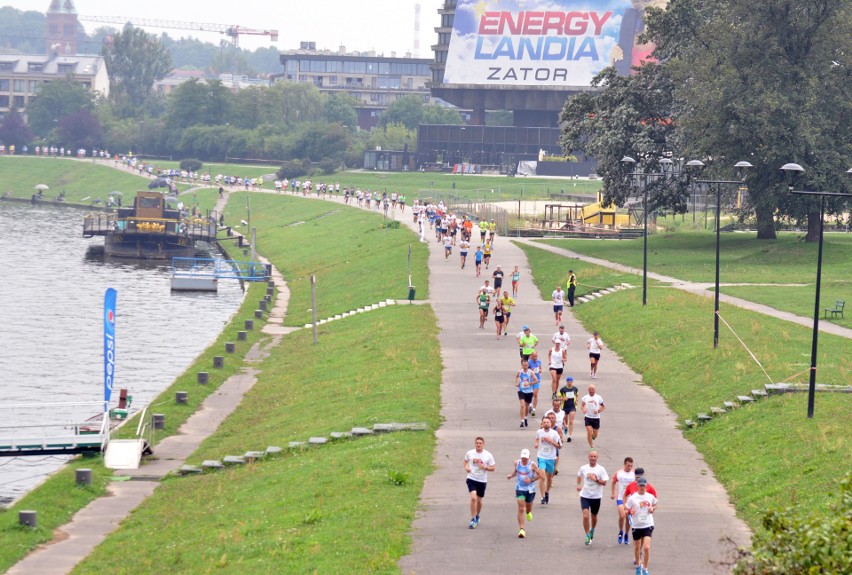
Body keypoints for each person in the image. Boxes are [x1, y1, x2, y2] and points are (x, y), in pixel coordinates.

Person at [507, 448, 542, 538]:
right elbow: (516, 471)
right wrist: (511, 475)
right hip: (520, 488)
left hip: (530, 489)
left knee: (528, 507)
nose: (524, 459)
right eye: (523, 457)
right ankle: (522, 529)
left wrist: (531, 480)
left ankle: (529, 512)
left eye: (526, 458)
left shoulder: (533, 465)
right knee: (521, 508)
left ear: (529, 457)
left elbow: (540, 475)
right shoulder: (517, 463)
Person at [626, 477, 658, 575]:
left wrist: (653, 508)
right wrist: (629, 512)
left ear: (646, 486)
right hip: (636, 525)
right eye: (640, 485)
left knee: (646, 547)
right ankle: (638, 566)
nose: (642, 487)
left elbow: (655, 504)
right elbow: (626, 509)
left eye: (644, 485)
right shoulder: (632, 498)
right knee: (637, 547)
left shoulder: (650, 496)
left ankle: (645, 568)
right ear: (637, 486)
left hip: (648, 524)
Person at [577, 450, 609, 546]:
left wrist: (596, 479)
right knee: (586, 515)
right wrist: (578, 485)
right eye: (591, 456)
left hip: (596, 496)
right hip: (585, 495)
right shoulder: (583, 468)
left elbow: (604, 482)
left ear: (597, 458)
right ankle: (587, 535)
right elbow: (579, 476)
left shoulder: (601, 469)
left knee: (594, 516)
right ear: (588, 457)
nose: (593, 458)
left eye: (595, 457)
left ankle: (592, 530)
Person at [464, 437, 496, 529]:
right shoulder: (470, 453)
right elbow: (465, 461)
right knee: (473, 498)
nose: (478, 445)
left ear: (483, 444)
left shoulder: (488, 455)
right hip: (471, 478)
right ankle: (473, 519)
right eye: (477, 443)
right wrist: (466, 468)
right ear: (475, 444)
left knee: (479, 500)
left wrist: (485, 467)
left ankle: (477, 515)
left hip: (482, 480)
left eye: (480, 443)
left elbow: (493, 468)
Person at [535, 415, 561, 505]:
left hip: (551, 457)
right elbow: (537, 440)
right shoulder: (539, 432)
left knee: (549, 477)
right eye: (544, 422)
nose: (546, 424)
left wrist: (550, 441)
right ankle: (542, 497)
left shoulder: (554, 433)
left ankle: (547, 492)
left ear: (551, 423)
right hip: (541, 456)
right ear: (542, 424)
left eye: (548, 422)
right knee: (542, 476)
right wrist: (537, 444)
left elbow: (560, 446)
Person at [611, 456, 636, 544]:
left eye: (631, 466)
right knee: (622, 516)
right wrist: (613, 493)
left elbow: (637, 485)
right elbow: (613, 482)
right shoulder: (619, 473)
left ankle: (626, 534)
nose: (629, 467)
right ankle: (621, 531)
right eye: (628, 466)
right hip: (621, 498)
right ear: (624, 464)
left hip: (630, 499)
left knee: (628, 517)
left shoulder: (634, 474)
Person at [581, 384, 605, 448]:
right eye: (590, 389)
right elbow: (582, 406)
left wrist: (598, 411)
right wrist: (583, 410)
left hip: (596, 418)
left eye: (592, 389)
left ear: (595, 390)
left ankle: (593, 436)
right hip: (588, 417)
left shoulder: (598, 397)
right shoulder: (585, 397)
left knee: (595, 434)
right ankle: (591, 447)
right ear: (588, 390)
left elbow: (603, 407)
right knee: (589, 431)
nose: (591, 391)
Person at [558, 377, 580, 442]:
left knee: (571, 421)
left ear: (572, 382)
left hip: (572, 406)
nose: (569, 383)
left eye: (571, 382)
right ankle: (565, 427)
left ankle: (569, 435)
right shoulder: (563, 389)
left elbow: (577, 395)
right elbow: (558, 398)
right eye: (568, 382)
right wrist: (563, 399)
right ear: (566, 382)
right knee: (565, 420)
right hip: (564, 407)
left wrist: (577, 400)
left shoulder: (575, 389)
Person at [516, 359, 536, 428]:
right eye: (524, 365)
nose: (525, 366)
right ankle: (522, 421)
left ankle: (525, 417)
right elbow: (517, 377)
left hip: (529, 391)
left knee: (527, 406)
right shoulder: (519, 372)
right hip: (521, 390)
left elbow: (536, 380)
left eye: (526, 365)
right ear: (522, 365)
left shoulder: (531, 372)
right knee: (522, 405)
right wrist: (517, 382)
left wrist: (529, 383)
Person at [527, 351, 542, 416]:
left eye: (535, 356)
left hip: (537, 380)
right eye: (533, 356)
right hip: (530, 381)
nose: (534, 358)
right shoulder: (529, 362)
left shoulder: (539, 361)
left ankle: (533, 409)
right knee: (530, 394)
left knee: (535, 394)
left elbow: (541, 369)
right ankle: (530, 404)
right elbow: (525, 370)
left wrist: (540, 370)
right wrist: (531, 370)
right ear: (531, 356)